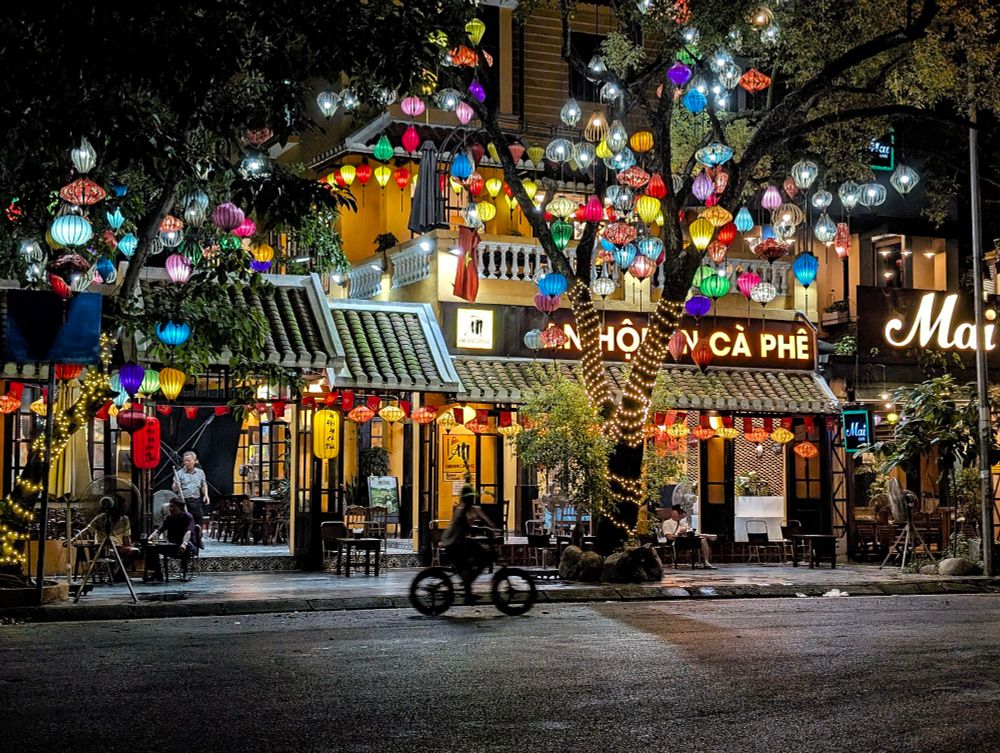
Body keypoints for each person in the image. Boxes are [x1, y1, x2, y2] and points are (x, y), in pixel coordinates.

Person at [441, 484, 495, 604]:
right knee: (475, 563)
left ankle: (467, 588)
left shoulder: (470, 508)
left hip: (461, 541)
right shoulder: (461, 511)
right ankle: (467, 590)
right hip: (454, 543)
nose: (471, 500)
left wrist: (491, 528)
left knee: (479, 558)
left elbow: (484, 519)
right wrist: (481, 530)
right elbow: (466, 527)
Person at [64, 495, 140, 579]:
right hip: (101, 546)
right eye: (123, 506)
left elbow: (126, 538)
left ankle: (119, 574)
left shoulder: (124, 519)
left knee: (135, 551)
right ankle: (117, 575)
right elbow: (87, 531)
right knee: (110, 552)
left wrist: (130, 546)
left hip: (118, 546)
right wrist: (71, 540)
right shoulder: (100, 518)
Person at [146, 497, 196, 581]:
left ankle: (184, 571)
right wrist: (151, 537)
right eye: (170, 507)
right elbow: (159, 530)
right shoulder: (169, 518)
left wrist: (184, 543)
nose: (170, 509)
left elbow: (188, 532)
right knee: (152, 549)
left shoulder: (188, 517)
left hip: (187, 545)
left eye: (173, 507)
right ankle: (157, 573)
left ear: (180, 508)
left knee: (187, 546)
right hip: (172, 545)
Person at [662, 504, 716, 569]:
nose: (680, 515)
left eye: (681, 513)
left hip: (688, 541)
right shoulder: (667, 523)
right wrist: (679, 534)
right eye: (678, 513)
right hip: (677, 542)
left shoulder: (684, 523)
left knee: (703, 540)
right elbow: (669, 537)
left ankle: (706, 562)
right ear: (672, 512)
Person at [172, 451, 209, 547]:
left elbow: (203, 484)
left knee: (198, 522)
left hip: (196, 501)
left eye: (189, 461)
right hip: (184, 502)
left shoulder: (200, 472)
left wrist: (206, 495)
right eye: (185, 461)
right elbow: (174, 489)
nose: (186, 463)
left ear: (195, 461)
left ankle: (198, 539)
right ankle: (185, 542)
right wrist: (176, 485)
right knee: (185, 523)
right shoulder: (179, 473)